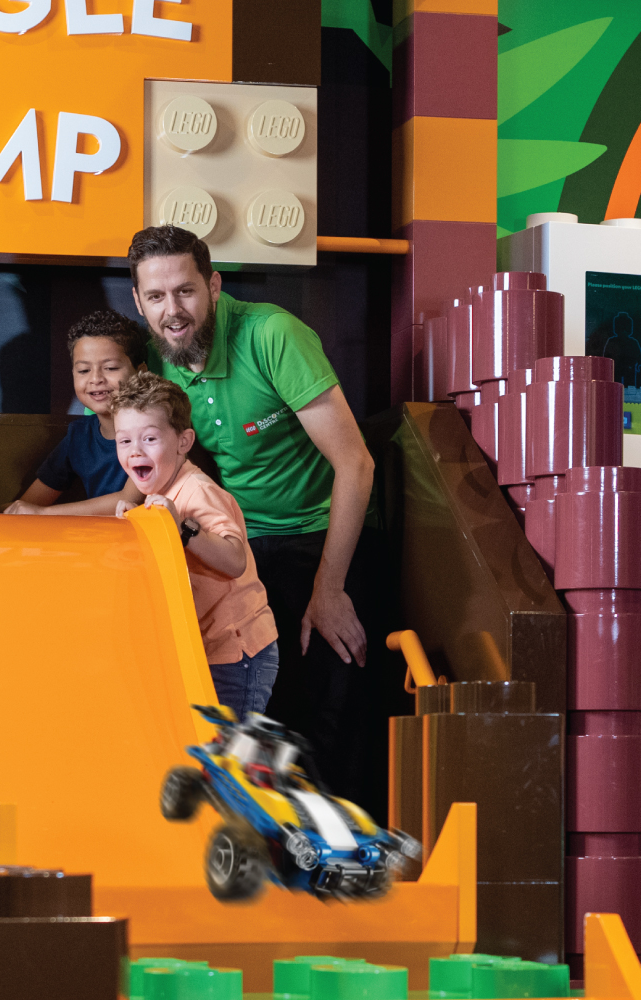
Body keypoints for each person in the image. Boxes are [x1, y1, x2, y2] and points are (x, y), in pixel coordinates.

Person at [122, 226, 376, 772]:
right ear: (139, 302)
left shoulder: (272, 334)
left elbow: (356, 464)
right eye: (157, 296)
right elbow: (136, 483)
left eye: (186, 291)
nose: (174, 310)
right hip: (242, 548)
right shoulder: (155, 362)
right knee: (256, 726)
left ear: (213, 286)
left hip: (320, 536)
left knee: (326, 723)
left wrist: (329, 589)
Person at [106, 371, 278, 717]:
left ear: (183, 442)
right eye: (125, 442)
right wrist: (136, 528)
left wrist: (182, 527)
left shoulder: (197, 491)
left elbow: (234, 560)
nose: (135, 450)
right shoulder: (157, 496)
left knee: (227, 760)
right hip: (205, 651)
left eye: (150, 439)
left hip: (237, 653)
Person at [0, 310, 147, 514]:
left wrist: (42, 514)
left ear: (141, 372)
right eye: (84, 371)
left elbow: (128, 501)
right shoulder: (78, 436)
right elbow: (30, 503)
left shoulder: (155, 430)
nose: (96, 379)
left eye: (110, 368)